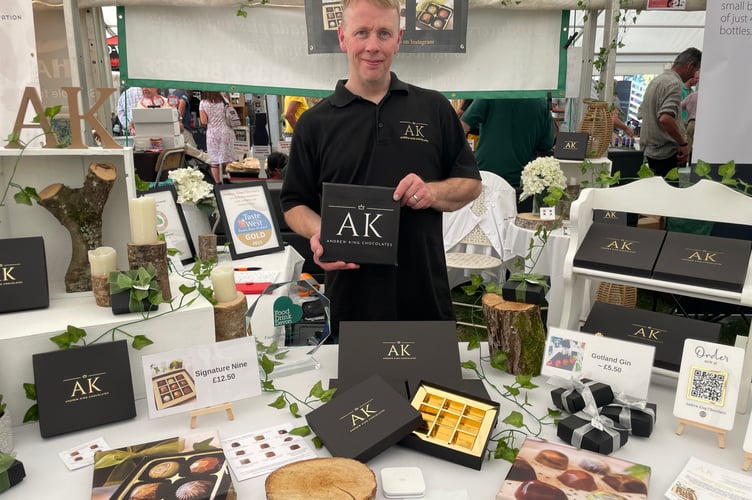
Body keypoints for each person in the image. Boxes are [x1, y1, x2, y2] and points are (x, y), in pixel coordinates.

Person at [280, 0, 481, 340]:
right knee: (361, 394)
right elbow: (293, 203)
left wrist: (432, 192)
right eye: (362, 32)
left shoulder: (434, 108)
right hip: (352, 302)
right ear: (343, 38)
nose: (372, 45)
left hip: (424, 295)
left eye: (383, 33)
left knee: (428, 390)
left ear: (398, 39)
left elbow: (470, 184)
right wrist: (321, 232)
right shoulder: (315, 124)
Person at [460, 98, 554, 188]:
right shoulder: (541, 103)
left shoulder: (492, 93)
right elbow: (546, 145)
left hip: (486, 177)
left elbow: (462, 127)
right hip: (520, 181)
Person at [637, 47, 702, 176]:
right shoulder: (674, 84)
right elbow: (665, 118)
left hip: (650, 151)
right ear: (690, 66)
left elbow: (641, 113)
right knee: (667, 192)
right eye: (696, 70)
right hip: (664, 153)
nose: (694, 75)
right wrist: (683, 143)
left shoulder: (656, 81)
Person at [199, 91, 236, 183]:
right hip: (226, 132)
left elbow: (204, 121)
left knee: (214, 161)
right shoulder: (224, 100)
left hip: (213, 134)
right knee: (228, 159)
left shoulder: (203, 103)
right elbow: (231, 113)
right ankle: (230, 181)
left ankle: (218, 183)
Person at [681, 70, 700, 163]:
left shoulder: (691, 95)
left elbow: (680, 106)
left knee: (688, 145)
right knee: (699, 146)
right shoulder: (707, 96)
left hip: (690, 123)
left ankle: (686, 163)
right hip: (701, 124)